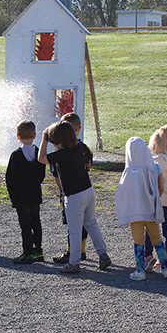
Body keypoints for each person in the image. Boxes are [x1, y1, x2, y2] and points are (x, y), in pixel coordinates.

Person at [38, 121, 111, 274]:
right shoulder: (78, 148)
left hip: (74, 196)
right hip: (88, 190)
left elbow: (41, 158)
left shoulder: (61, 154)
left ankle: (74, 263)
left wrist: (44, 139)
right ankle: (102, 254)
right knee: (92, 223)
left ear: (58, 141)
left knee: (75, 230)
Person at [115, 136, 167, 281]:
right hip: (151, 211)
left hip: (135, 213)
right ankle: (166, 268)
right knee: (157, 239)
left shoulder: (128, 172)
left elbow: (122, 192)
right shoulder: (155, 168)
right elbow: (160, 188)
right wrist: (153, 201)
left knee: (138, 241)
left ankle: (140, 270)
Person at [52, 112, 92, 263]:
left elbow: (56, 175)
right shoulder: (86, 149)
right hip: (86, 189)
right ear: (79, 129)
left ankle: (71, 252)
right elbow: (88, 168)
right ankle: (81, 249)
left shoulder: (59, 153)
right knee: (85, 222)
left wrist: (61, 191)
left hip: (70, 192)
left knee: (72, 223)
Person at [5, 120, 46, 264]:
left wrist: (13, 195)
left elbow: (10, 178)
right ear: (35, 135)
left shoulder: (16, 155)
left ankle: (27, 252)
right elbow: (41, 175)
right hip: (35, 193)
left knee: (25, 225)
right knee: (36, 222)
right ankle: (38, 250)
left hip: (21, 195)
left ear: (18, 136)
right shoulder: (38, 153)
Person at [144, 125, 167, 271]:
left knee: (151, 228)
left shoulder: (153, 161)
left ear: (155, 145)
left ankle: (148, 255)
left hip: (154, 199)